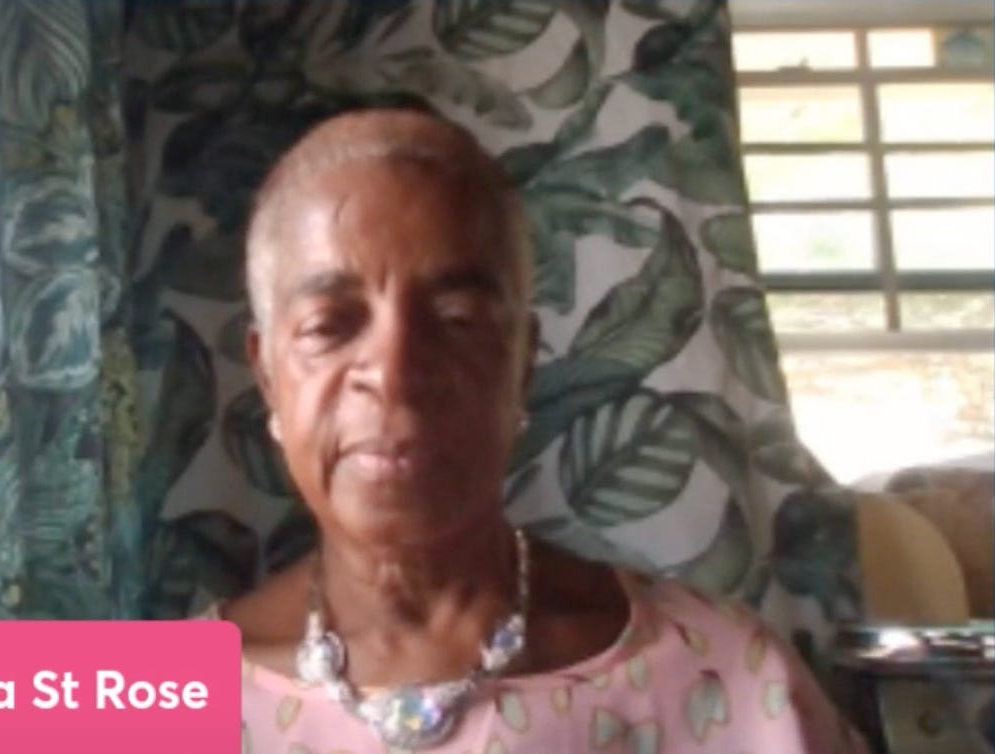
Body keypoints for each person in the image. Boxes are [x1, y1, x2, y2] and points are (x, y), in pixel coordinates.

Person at [209, 109, 866, 754]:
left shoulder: (733, 680)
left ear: (522, 368)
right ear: (267, 377)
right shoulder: (159, 692)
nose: (394, 372)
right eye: (329, 325)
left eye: (457, 319)